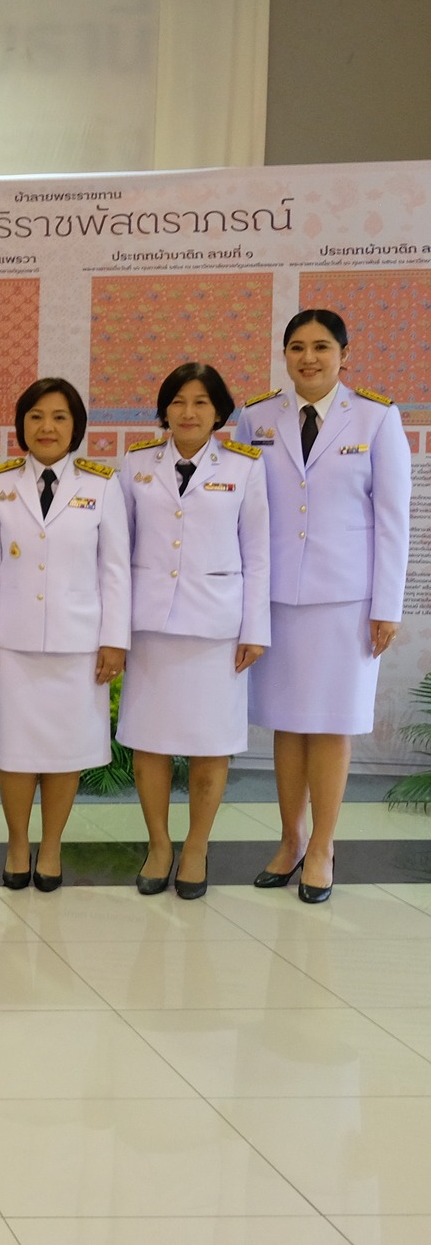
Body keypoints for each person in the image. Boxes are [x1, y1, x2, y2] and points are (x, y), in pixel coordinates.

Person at [236, 310, 409, 904]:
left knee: (332, 725)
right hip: (277, 597)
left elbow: (392, 521)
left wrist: (386, 605)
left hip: (347, 602)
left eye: (321, 347)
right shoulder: (255, 418)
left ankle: (323, 847)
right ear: (284, 355)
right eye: (296, 347)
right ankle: (290, 840)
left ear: (343, 353)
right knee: (287, 723)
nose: (308, 358)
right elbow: (238, 514)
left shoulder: (377, 417)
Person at [0, 377, 128, 892]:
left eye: (59, 417)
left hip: (79, 645)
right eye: (36, 416)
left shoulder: (102, 486)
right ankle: (18, 844)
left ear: (76, 426)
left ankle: (52, 847)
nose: (47, 427)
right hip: (11, 644)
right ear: (22, 426)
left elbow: (116, 571)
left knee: (65, 752)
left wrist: (114, 640)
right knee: (15, 751)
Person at [117, 363, 269, 900]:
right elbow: (118, 552)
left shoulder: (245, 468)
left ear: (220, 413)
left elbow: (258, 553)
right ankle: (159, 845)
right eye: (178, 401)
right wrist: (117, 628)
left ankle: (197, 846)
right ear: (164, 410)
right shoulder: (135, 465)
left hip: (217, 629)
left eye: (201, 402)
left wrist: (255, 627)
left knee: (211, 745)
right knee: (149, 742)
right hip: (150, 625)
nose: (188, 412)